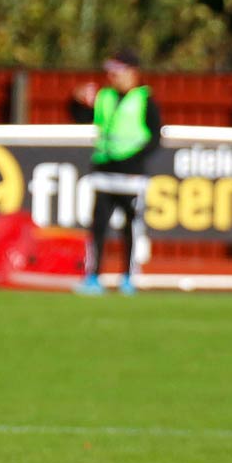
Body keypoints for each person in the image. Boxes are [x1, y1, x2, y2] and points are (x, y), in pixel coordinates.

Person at [69, 50, 161, 295]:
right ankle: (93, 277)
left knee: (130, 227)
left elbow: (155, 137)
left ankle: (129, 278)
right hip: (104, 171)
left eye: (117, 71)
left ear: (132, 72)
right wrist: (75, 100)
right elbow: (82, 118)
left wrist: (134, 161)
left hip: (131, 177)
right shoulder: (104, 96)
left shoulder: (144, 100)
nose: (112, 76)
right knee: (98, 226)